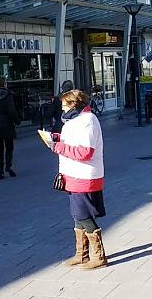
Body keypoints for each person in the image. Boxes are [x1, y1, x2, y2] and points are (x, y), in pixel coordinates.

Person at [46, 89, 107, 270]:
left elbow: (84, 152)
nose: (62, 109)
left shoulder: (87, 121)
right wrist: (55, 138)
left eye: (64, 105)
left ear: (74, 104)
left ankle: (99, 256)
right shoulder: (75, 120)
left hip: (84, 175)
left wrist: (57, 147)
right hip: (73, 174)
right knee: (76, 214)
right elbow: (72, 141)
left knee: (83, 214)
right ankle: (82, 254)